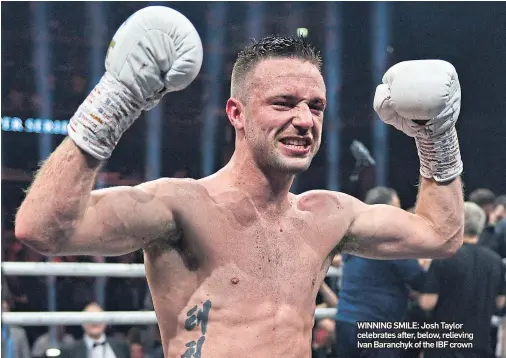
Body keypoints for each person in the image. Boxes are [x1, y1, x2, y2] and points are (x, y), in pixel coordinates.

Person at [14, 5, 465, 358]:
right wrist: (115, 100)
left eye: (316, 106)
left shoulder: (329, 215)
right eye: (284, 103)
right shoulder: (182, 206)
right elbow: (42, 228)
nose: (304, 120)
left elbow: (441, 235)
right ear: (237, 114)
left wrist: (436, 135)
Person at [334, 187, 427, 358]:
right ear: (388, 210)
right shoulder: (391, 238)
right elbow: (420, 280)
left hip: (346, 320)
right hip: (377, 325)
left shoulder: (353, 234)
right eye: (397, 209)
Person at [418, 202, 506, 358]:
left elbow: (427, 302)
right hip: (481, 344)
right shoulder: (495, 260)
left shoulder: (443, 257)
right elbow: (500, 302)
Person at [60, 302, 131, 358]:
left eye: (98, 318)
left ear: (105, 322)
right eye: (90, 319)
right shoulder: (69, 350)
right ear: (83, 323)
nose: (95, 322)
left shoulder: (122, 346)